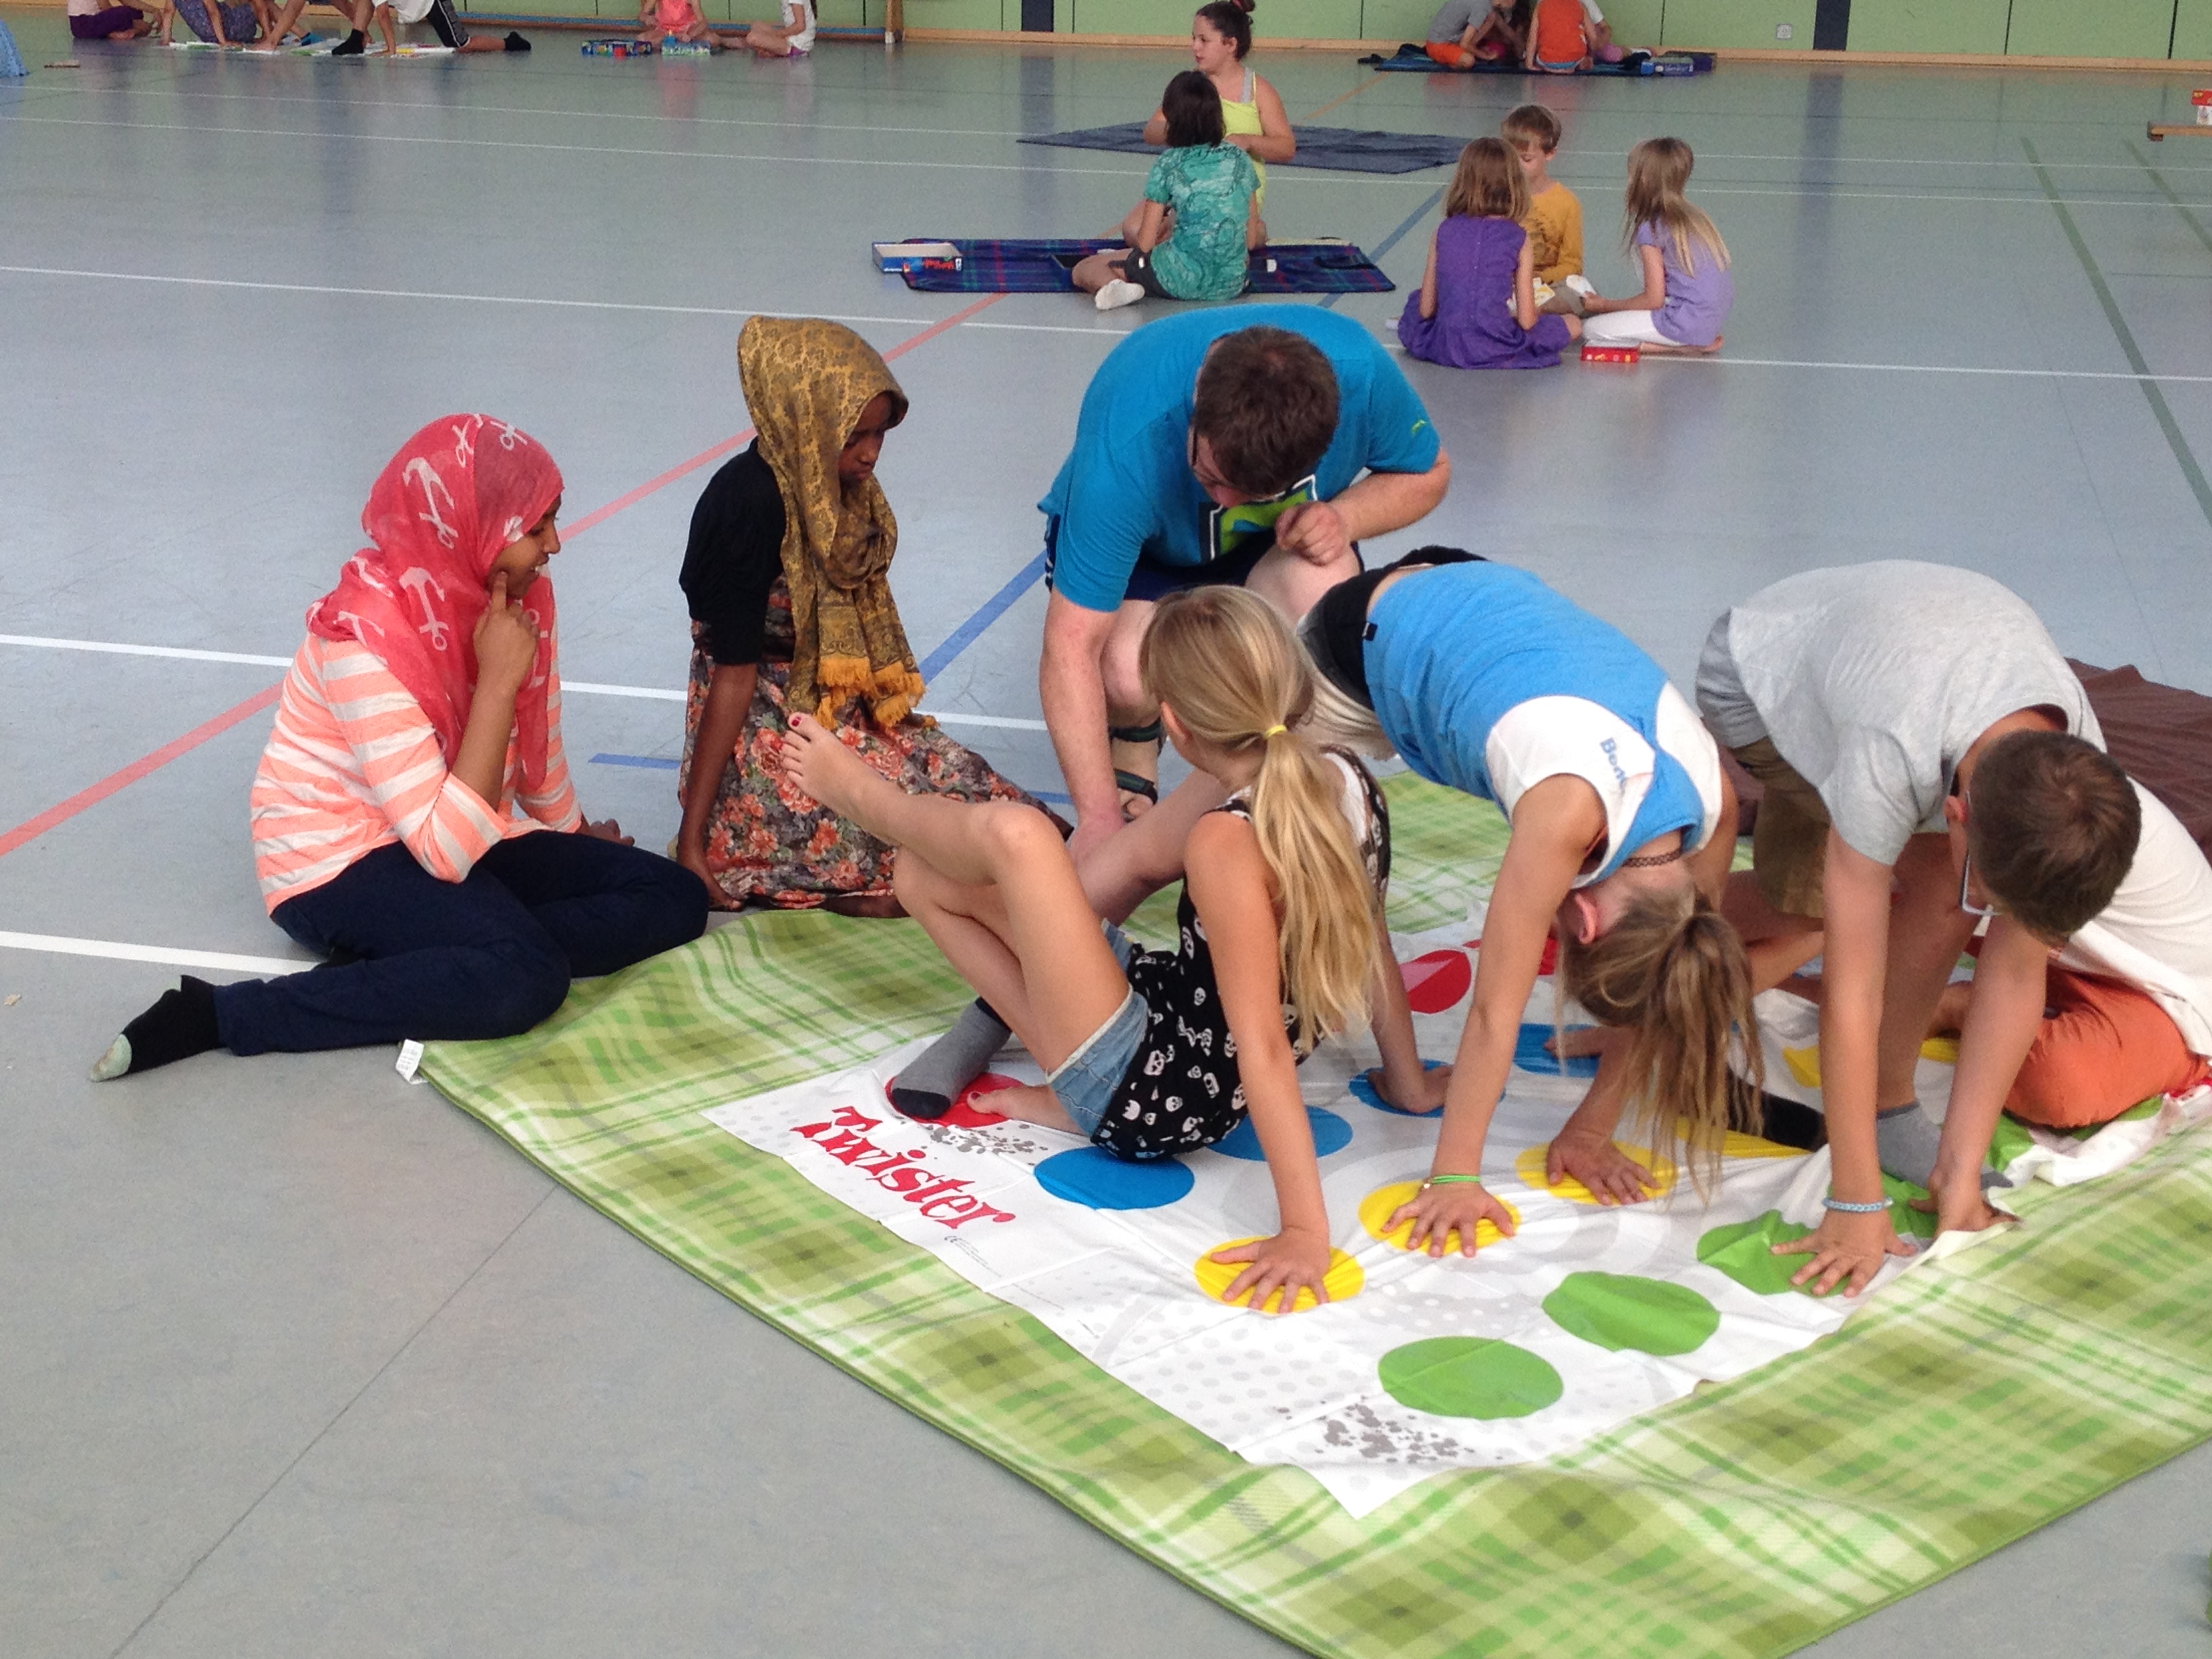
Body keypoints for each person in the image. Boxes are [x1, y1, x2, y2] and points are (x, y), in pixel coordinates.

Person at [779, 587, 1441, 1313]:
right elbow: (1362, 934)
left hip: (1157, 1100)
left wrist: (1306, 1231)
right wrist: (1404, 1082)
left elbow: (1263, 1050)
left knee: (1019, 838)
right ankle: (1071, 1082)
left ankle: (871, 802)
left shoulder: (1230, 839)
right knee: (924, 875)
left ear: (1173, 726)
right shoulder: (1345, 779)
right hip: (1174, 1028)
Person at [89, 415, 707, 1081]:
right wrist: (498, 680)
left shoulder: (521, 598)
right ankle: (223, 1015)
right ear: (472, 529)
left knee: (673, 895)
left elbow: (539, 746)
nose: (554, 544)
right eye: (535, 529)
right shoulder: (363, 636)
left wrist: (575, 837)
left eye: (552, 520)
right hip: (339, 861)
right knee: (524, 978)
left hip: (460, 829)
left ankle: (441, 961)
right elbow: (443, 854)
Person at [1296, 550, 1757, 1256]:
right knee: (1230, 812)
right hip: (1365, 633)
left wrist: (1591, 1129)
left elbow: (1664, 981)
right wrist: (1453, 1175)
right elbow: (1492, 1014)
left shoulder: (1708, 813)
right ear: (1583, 920)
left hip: (1484, 601)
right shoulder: (1568, 812)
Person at [1696, 561, 2135, 1294]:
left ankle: (1892, 1105)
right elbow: (1853, 990)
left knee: (1946, 887)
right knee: (1821, 914)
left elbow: (2018, 966)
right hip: (1755, 669)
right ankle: (1651, 927)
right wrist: (1856, 1197)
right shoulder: (1889, 750)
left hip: (1907, 658)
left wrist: (1960, 1174)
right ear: (1957, 815)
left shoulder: (2077, 770)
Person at [1034, 308, 1449, 856]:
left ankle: (1295, 785)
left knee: (1325, 620)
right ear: (1196, 410)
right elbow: (1069, 647)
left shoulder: (1361, 374)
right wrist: (1099, 819)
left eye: (1253, 492)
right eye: (1210, 478)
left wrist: (1344, 517)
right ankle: (1136, 731)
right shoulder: (1127, 444)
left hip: (1275, 543)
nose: (1226, 503)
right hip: (1153, 550)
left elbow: (1428, 470)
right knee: (1125, 676)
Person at [675, 318, 1044, 915]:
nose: (870, 453)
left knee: (974, 803)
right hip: (758, 707)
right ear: (808, 421)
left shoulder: (837, 488)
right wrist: (693, 841)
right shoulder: (747, 503)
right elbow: (733, 673)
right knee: (877, 834)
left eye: (879, 434)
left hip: (824, 696)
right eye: (855, 437)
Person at [1076, 70, 1259, 312]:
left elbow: (1145, 243)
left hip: (1178, 281)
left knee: (1085, 268)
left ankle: (1117, 285)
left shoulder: (1169, 164)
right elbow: (1251, 239)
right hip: (1231, 283)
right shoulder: (1240, 159)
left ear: (1173, 120)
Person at [1123, 1, 1292, 252]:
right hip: (1187, 187)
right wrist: (1182, 130)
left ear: (1230, 45)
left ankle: (1255, 229)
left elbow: (1286, 147)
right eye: (1194, 38)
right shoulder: (1190, 87)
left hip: (1232, 193)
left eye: (1204, 40)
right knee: (1133, 230)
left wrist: (1247, 141)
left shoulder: (1258, 90)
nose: (1195, 47)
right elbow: (1152, 131)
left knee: (1229, 241)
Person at [1398, 138, 1580, 371]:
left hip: (1447, 346)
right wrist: (1535, 311)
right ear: (1513, 184)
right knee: (1573, 324)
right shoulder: (1518, 237)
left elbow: (1425, 309)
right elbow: (1526, 321)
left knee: (1415, 300)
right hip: (1498, 345)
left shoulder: (1443, 230)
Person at [1580, 138, 1732, 353]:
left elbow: (1653, 299)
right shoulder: (1696, 218)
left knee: (1590, 330)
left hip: (1684, 322)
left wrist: (1604, 305)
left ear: (1643, 180)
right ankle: (1692, 339)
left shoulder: (1650, 226)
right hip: (1709, 318)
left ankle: (1680, 346)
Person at [1500, 103, 1589, 313]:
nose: (1517, 165)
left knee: (1579, 293)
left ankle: (1523, 314)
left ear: (1549, 154)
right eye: (1511, 157)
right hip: (1503, 284)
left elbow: (1572, 265)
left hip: (1547, 285)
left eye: (1526, 159)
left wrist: (1540, 277)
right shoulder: (1497, 196)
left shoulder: (1567, 203)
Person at [1420, 0, 1525, 66]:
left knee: (1492, 17)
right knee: (1469, 61)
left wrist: (1522, 47)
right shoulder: (1482, 7)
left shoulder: (1488, 6)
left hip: (1455, 41)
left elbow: (1506, 29)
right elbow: (1464, 44)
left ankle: (1467, 51)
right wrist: (1485, 56)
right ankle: (1450, 60)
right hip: (1438, 45)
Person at [160, 0, 268, 45]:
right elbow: (214, 13)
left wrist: (166, 38)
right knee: (256, 5)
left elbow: (168, 12)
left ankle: (270, 34)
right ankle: (269, 34)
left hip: (208, 36)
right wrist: (223, 41)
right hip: (229, 29)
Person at [1525, 0, 1592, 72]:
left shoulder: (1541, 5)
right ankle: (1571, 66)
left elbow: (1532, 39)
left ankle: (1553, 68)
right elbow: (1593, 36)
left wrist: (1529, 65)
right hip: (1574, 61)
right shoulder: (1580, 5)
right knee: (1580, 31)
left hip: (1546, 61)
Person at [737, 0, 814, 56]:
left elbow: (800, 27)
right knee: (756, 25)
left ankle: (770, 52)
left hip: (798, 45)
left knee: (752, 38)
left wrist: (774, 35)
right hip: (791, 39)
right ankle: (767, 49)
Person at [640, 0, 730, 47]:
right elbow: (642, 14)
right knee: (642, 39)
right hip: (665, 31)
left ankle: (724, 41)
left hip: (686, 30)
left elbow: (703, 22)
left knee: (712, 40)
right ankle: (675, 42)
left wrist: (690, 35)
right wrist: (647, 18)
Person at [68, 0, 160, 40]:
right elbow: (106, 8)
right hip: (83, 24)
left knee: (135, 12)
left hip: (96, 19)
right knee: (124, 13)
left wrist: (154, 10)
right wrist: (134, 23)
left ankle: (116, 33)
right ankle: (115, 33)